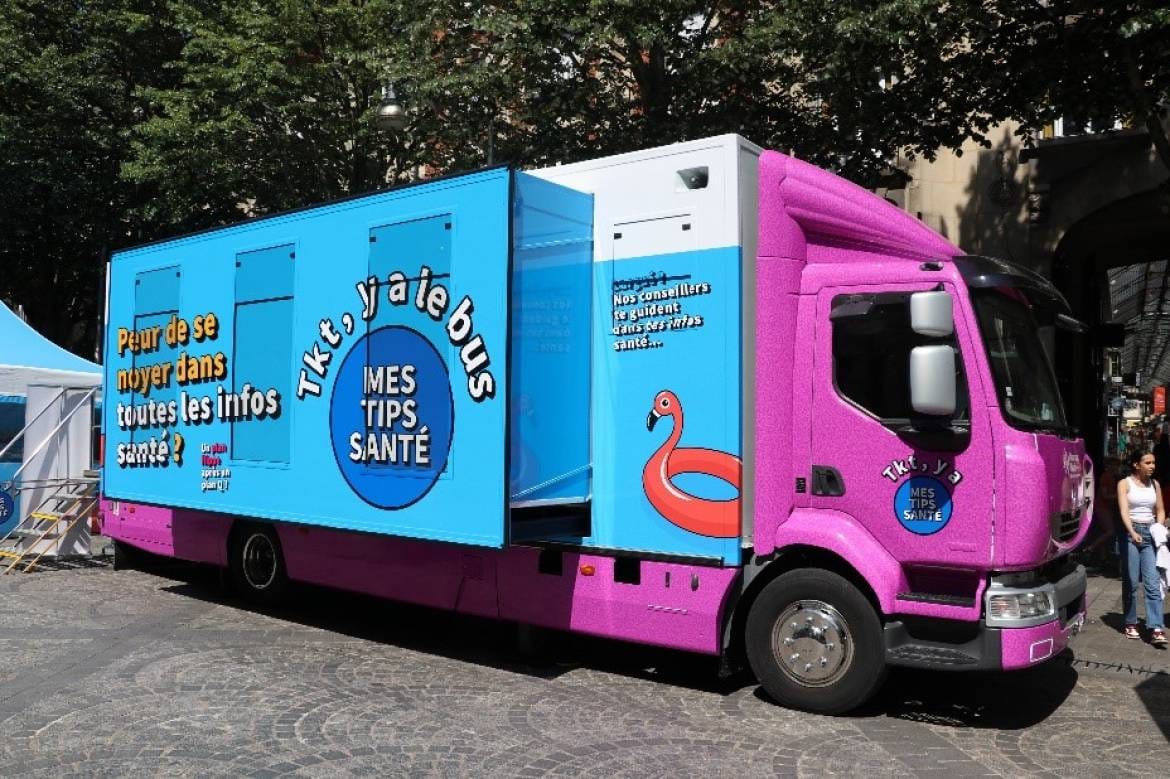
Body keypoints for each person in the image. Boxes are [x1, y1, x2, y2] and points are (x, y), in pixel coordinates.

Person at [1117, 449, 1168, 646]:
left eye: (1153, 462)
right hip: (1130, 534)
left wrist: (1158, 527)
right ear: (1136, 464)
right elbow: (1124, 510)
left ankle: (1156, 627)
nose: (1152, 466)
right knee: (1131, 582)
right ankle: (1131, 622)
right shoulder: (1125, 483)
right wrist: (1132, 531)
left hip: (1150, 534)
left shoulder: (1155, 484)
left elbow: (1160, 510)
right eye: (1148, 463)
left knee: (1152, 582)